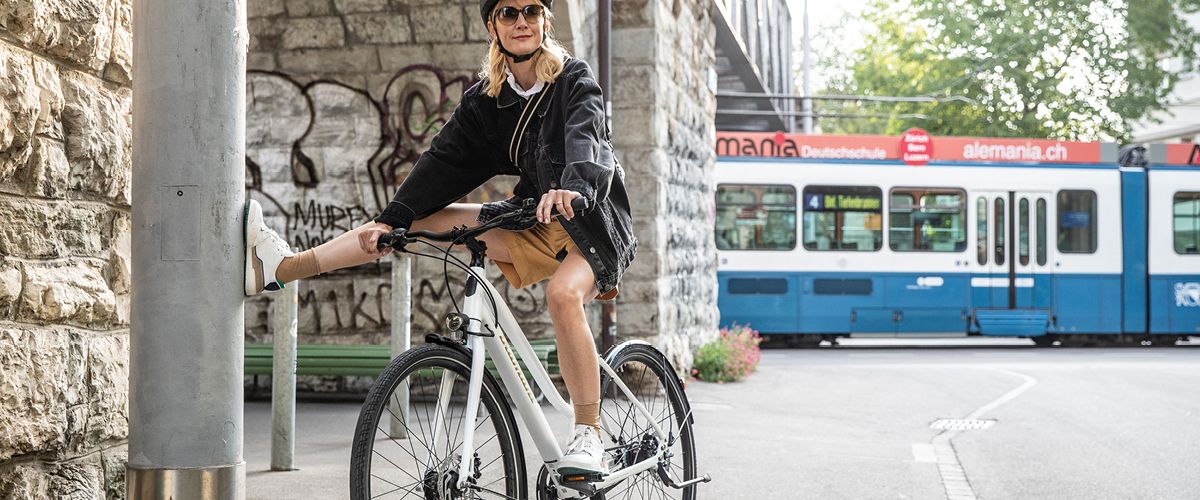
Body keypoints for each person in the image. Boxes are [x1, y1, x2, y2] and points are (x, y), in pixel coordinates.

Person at [242, 0, 637, 476]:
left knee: (561, 293)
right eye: (508, 12)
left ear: (545, 21)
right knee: (408, 223)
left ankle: (589, 430)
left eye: (532, 10)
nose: (520, 22)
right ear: (493, 24)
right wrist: (392, 219)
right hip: (534, 217)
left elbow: (585, 138)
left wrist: (574, 188)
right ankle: (283, 268)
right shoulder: (486, 102)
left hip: (591, 223)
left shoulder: (573, 80)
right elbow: (441, 162)